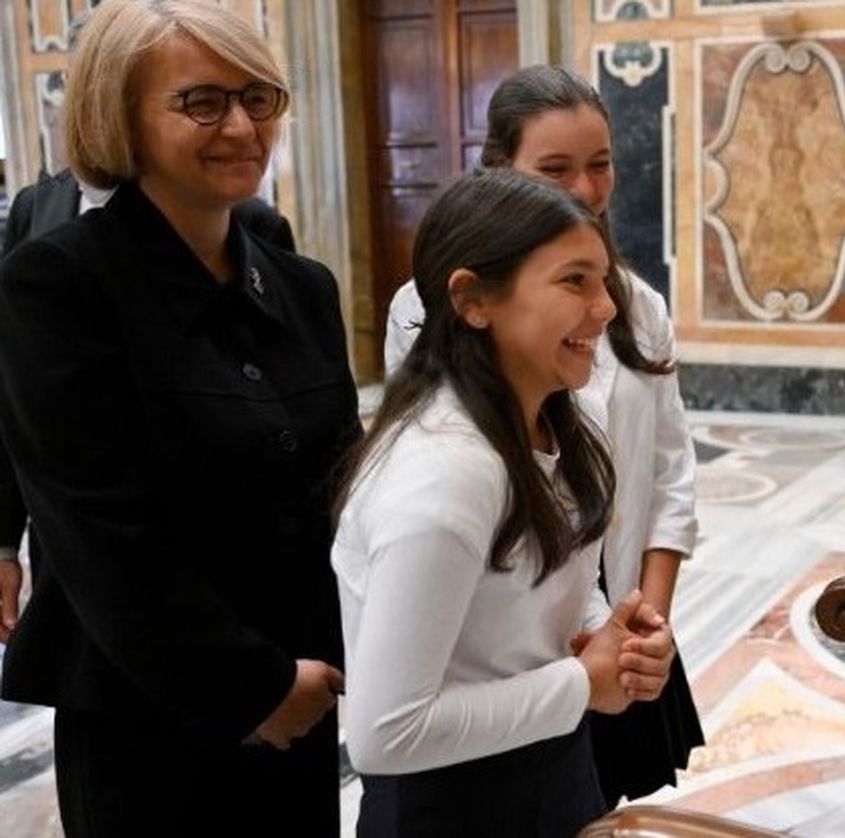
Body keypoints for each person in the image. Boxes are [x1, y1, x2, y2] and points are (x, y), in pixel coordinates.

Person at [0, 1, 358, 834]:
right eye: (202, 102)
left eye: (258, 97)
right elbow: (100, 535)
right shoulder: (58, 284)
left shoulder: (304, 287)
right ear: (120, 116)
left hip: (305, 696)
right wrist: (252, 689)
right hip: (151, 719)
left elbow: (339, 487)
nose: (241, 125)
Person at [384, 65, 702, 804]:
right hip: (503, 653)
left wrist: (643, 624)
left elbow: (670, 480)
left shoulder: (637, 306)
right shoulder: (424, 309)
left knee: (590, 801)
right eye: (555, 169)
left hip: (610, 627)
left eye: (600, 166)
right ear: (501, 172)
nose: (586, 191)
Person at [335, 169, 676, 836]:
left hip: (551, 768)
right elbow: (385, 732)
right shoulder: (443, 478)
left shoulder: (559, 421)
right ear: (473, 299)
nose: (606, 306)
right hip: (453, 809)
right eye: (573, 280)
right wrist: (582, 682)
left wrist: (611, 635)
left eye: (602, 278)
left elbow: (553, 580)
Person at [0, 168, 296, 645]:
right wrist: (4, 541)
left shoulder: (251, 222)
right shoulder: (38, 206)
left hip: (206, 556)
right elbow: (14, 394)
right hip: (73, 547)